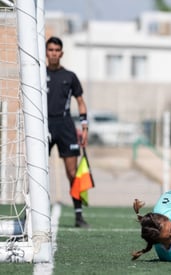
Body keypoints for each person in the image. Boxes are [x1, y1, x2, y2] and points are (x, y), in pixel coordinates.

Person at [46, 36, 90, 227]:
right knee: (35, 171)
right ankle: (30, 214)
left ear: (61, 53)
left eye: (57, 50)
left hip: (65, 126)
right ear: (46, 52)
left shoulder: (70, 76)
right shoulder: (37, 74)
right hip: (43, 124)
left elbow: (80, 101)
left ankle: (78, 215)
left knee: (72, 173)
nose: (54, 53)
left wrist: (84, 126)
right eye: (51, 50)